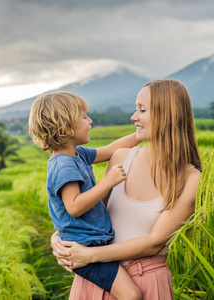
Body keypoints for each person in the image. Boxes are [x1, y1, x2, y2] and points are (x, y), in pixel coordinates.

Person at [51, 79, 202, 299]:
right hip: (97, 279)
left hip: (146, 282)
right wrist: (58, 238)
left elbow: (154, 243)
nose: (133, 116)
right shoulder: (121, 158)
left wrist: (90, 256)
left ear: (166, 115)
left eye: (142, 109)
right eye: (135, 109)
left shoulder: (191, 179)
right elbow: (89, 215)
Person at [28, 92, 142, 300]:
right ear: (66, 127)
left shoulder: (77, 154)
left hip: (92, 243)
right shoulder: (64, 165)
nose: (90, 121)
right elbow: (74, 206)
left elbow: (110, 150)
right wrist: (108, 182)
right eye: (84, 117)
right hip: (84, 249)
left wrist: (140, 135)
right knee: (131, 295)